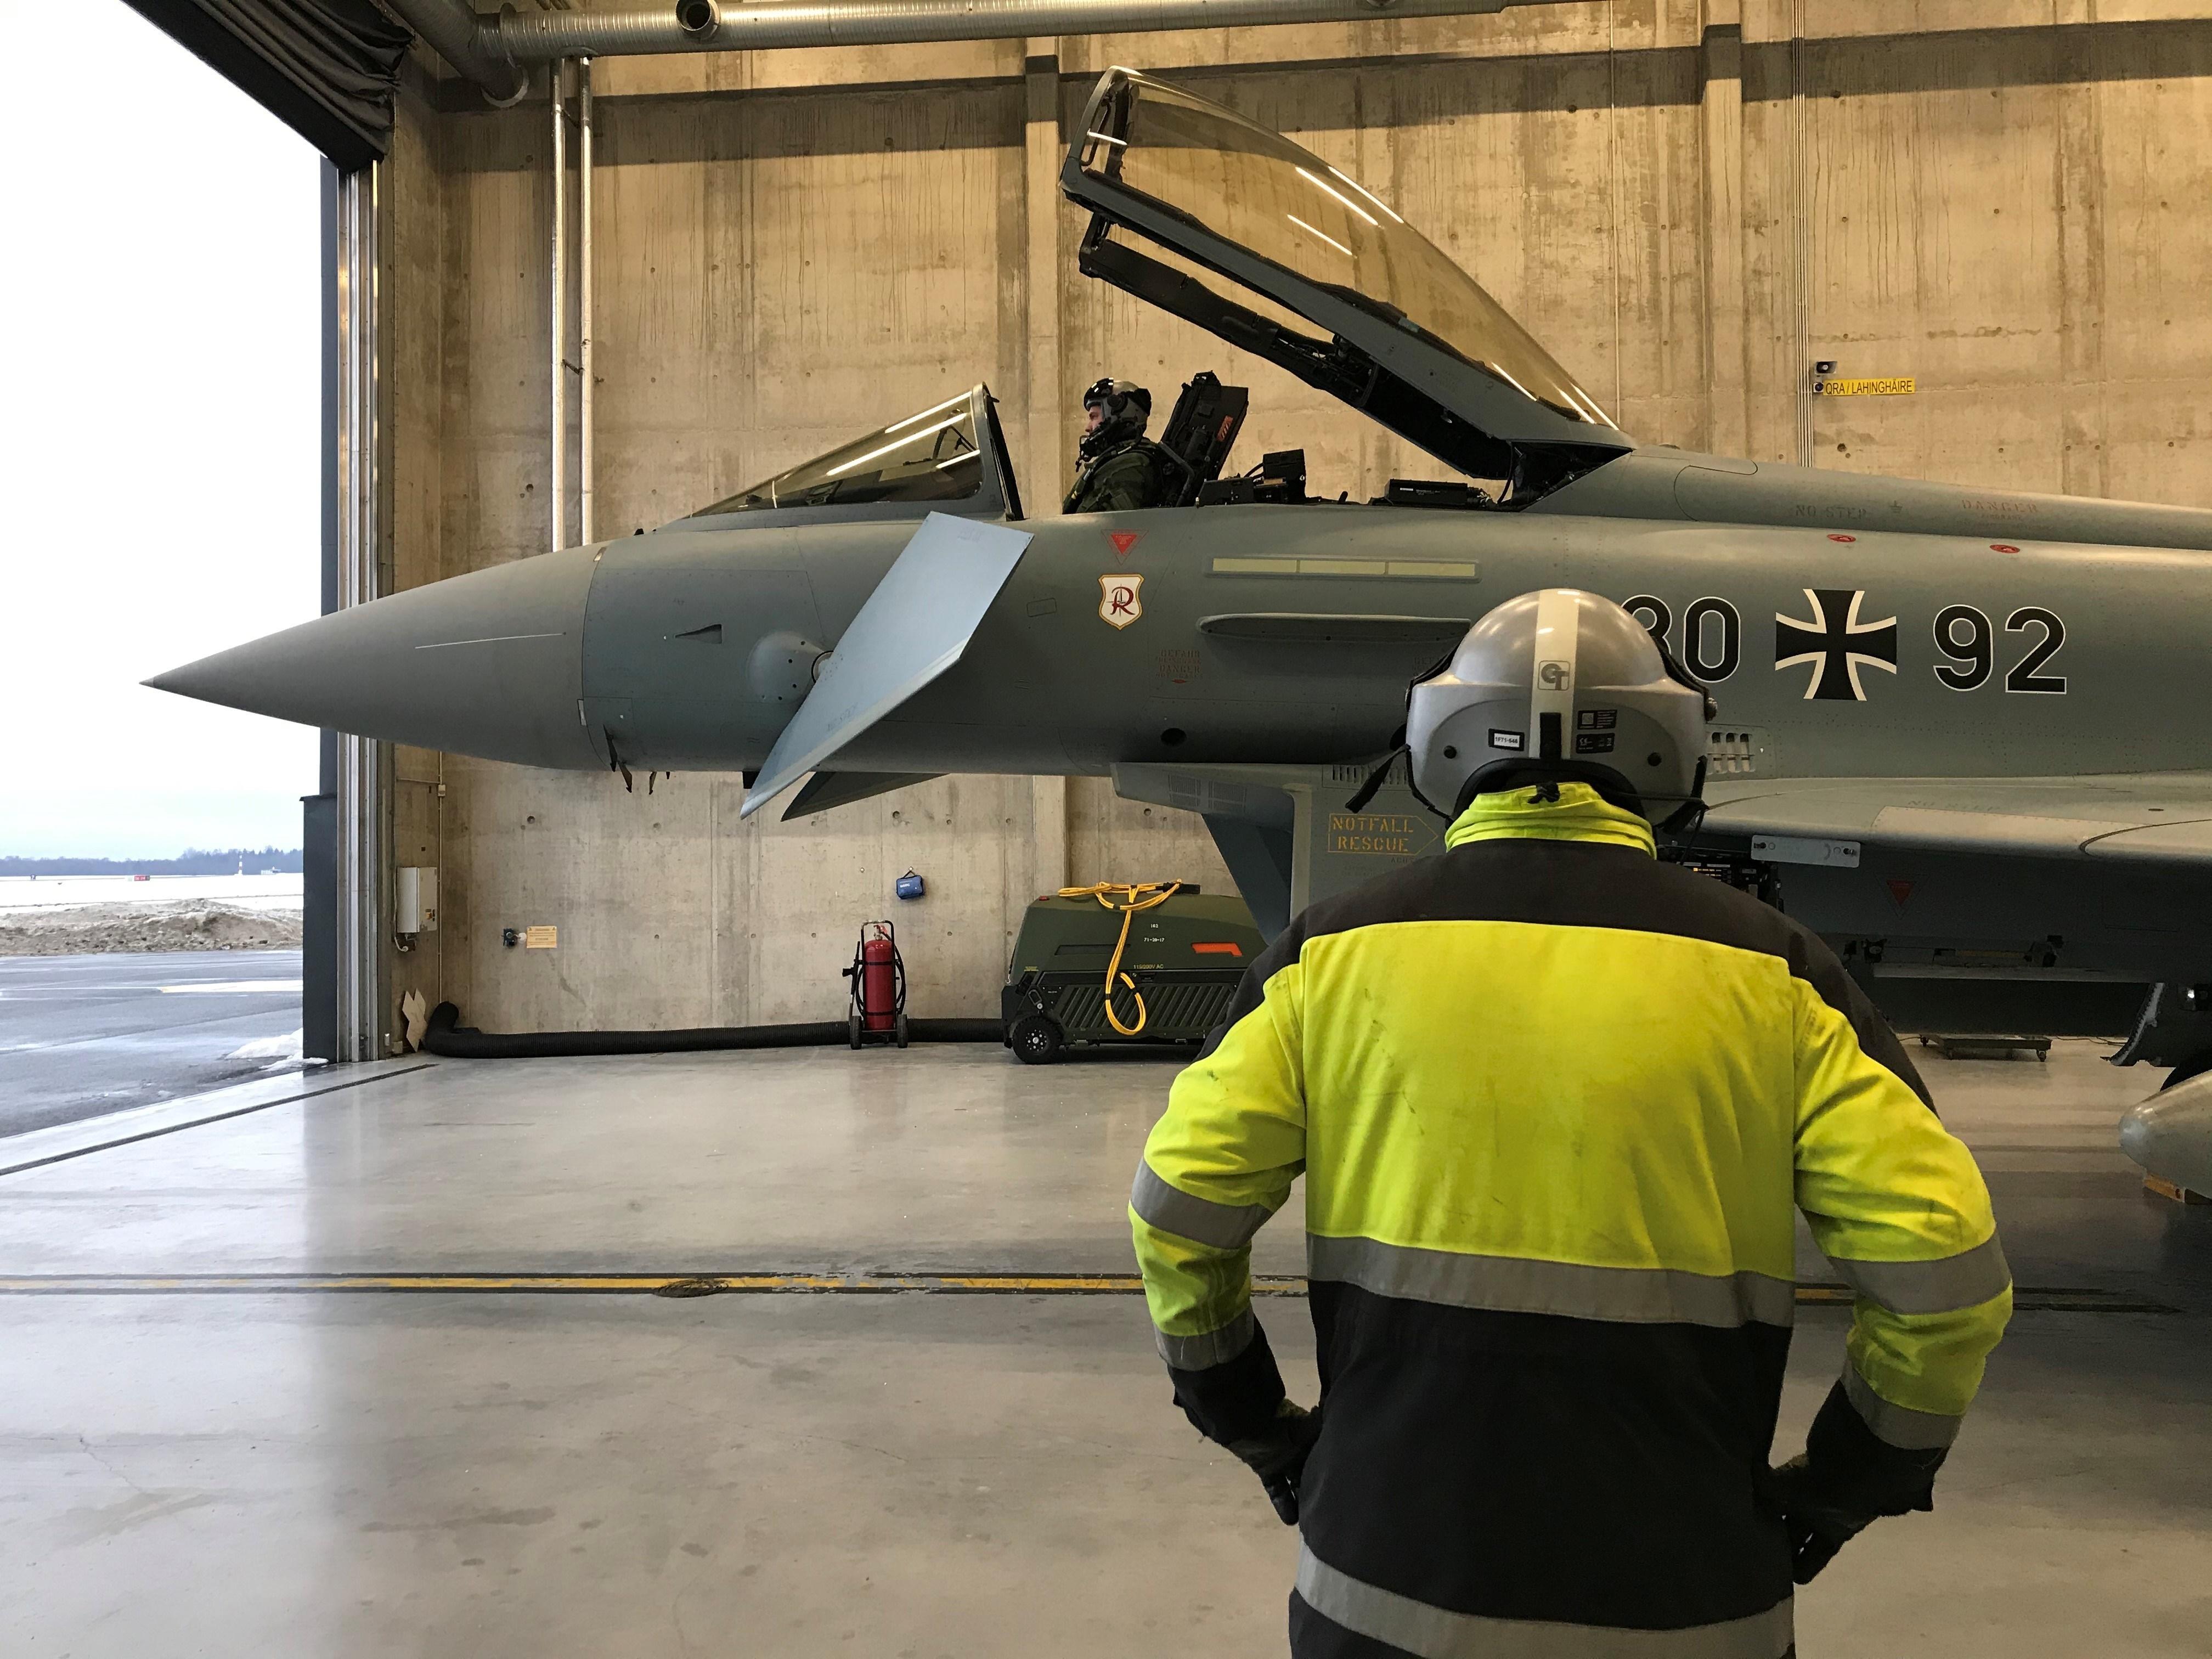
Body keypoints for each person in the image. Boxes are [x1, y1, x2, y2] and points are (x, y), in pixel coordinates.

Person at [1128, 588, 2011, 1658]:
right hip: (1694, 1607)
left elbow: (1178, 1212)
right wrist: (1840, 1490)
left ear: (1439, 743)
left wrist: (1260, 1430)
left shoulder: (1331, 957)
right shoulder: (1777, 976)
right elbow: (1946, 1271)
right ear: (1669, 751)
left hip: (1384, 1591)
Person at [1063, 377, 1173, 514]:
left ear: (1116, 412)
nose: (1088, 427)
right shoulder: (1118, 461)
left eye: (1094, 417)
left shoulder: (1129, 465)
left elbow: (1105, 528)